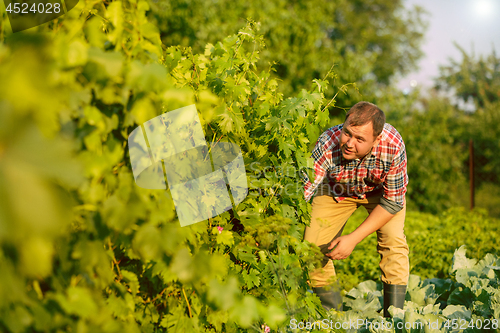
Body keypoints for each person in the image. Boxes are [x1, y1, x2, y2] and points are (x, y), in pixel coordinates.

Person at [301, 101, 409, 317]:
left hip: (380, 195)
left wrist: (354, 238)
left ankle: (393, 319)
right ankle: (332, 318)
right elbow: (304, 188)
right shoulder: (327, 144)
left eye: (360, 139)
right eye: (347, 133)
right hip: (336, 190)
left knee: (393, 241)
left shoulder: (393, 146)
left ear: (376, 139)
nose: (350, 143)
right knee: (313, 247)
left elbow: (393, 201)